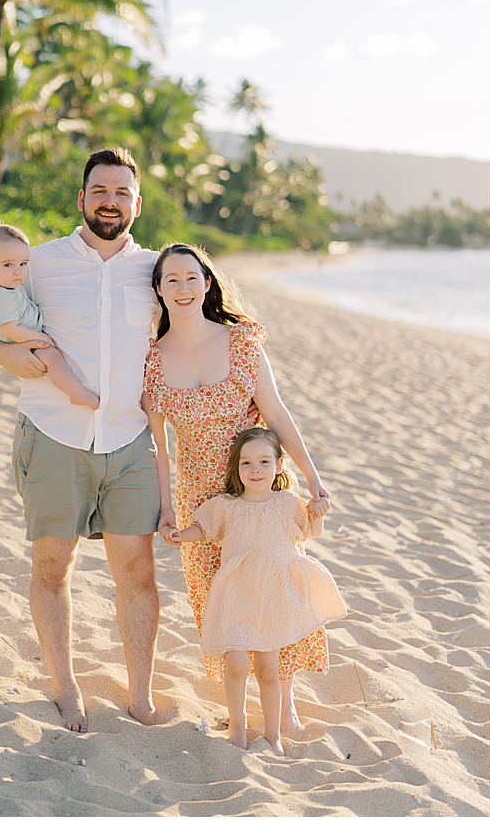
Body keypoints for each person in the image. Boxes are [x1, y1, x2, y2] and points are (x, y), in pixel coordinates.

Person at [0, 147, 162, 733]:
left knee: (138, 570)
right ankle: (65, 686)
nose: (110, 201)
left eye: (121, 192)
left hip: (130, 441)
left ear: (136, 202)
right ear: (82, 199)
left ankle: (141, 695)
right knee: (53, 565)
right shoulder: (38, 262)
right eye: (100, 190)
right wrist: (7, 355)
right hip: (53, 434)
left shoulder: (158, 269)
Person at [141, 242, 333, 731]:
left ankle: (282, 704)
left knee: (275, 587)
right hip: (199, 499)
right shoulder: (154, 361)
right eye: (171, 280)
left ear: (207, 284)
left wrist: (312, 477)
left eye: (191, 278)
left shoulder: (242, 342)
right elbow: (161, 448)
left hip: (259, 491)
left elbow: (277, 413)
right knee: (221, 601)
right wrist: (169, 511)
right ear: (158, 291)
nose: (182, 288)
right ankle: (240, 711)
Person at [167, 426, 345, 753]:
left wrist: (318, 514)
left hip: (273, 597)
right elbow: (204, 529)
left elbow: (310, 533)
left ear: (279, 465)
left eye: (264, 461)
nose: (255, 470)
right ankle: (237, 728)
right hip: (235, 594)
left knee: (268, 670)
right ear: (237, 468)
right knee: (235, 664)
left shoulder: (287, 503)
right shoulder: (227, 505)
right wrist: (181, 535)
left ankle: (273, 734)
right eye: (246, 463)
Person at [0, 223, 100, 409]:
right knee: (53, 359)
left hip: (20, 333)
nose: (18, 271)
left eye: (23, 264)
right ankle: (76, 392)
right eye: (8, 265)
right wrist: (40, 337)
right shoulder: (1, 297)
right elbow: (11, 329)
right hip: (20, 340)